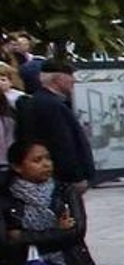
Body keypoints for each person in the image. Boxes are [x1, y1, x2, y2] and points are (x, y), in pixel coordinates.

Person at [15, 59, 96, 190]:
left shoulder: (43, 101)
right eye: (70, 76)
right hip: (60, 178)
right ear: (58, 79)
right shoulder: (51, 105)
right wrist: (75, 176)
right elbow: (62, 143)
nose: (73, 81)